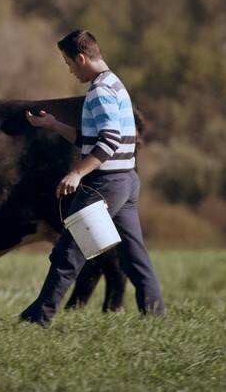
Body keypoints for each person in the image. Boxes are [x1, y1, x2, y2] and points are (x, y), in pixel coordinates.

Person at [20, 29, 165, 324]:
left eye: (69, 63)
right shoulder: (114, 84)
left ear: (82, 58)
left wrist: (76, 172)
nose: (70, 70)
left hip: (104, 185)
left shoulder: (99, 92)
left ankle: (39, 318)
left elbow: (108, 141)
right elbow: (91, 138)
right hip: (125, 181)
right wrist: (53, 124)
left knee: (68, 252)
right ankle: (155, 316)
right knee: (133, 255)